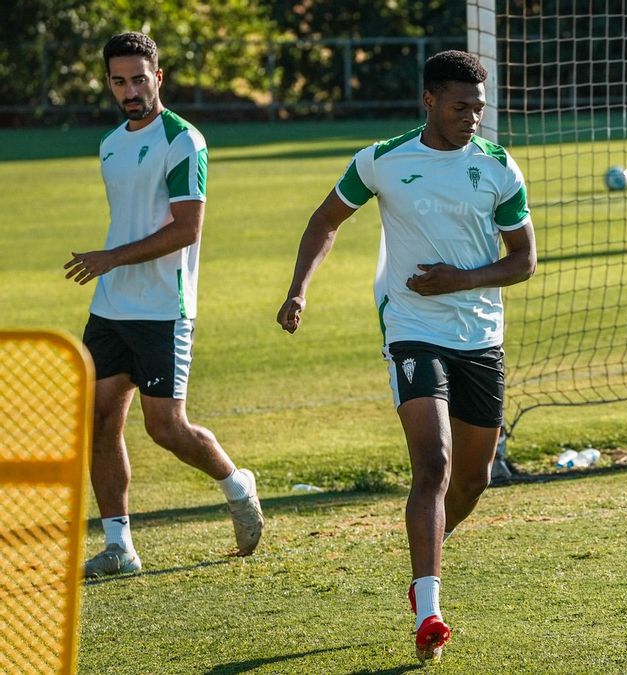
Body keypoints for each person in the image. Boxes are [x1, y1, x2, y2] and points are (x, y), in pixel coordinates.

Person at [275, 50, 536, 663]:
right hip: (412, 329)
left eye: (479, 106)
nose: (472, 117)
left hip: (480, 336)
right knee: (434, 464)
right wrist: (297, 290)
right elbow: (325, 222)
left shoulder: (498, 168)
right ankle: (430, 609)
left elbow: (523, 261)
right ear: (430, 101)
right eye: (460, 106)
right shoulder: (382, 161)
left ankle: (425, 564)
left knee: (473, 478)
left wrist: (460, 278)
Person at [64, 32, 263, 578]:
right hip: (111, 309)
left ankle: (235, 483)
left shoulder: (183, 141)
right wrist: (112, 266)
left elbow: (187, 229)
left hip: (162, 308)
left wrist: (112, 257)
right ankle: (119, 547)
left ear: (159, 77)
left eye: (138, 78)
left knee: (165, 428)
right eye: (118, 81)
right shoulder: (109, 143)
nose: (129, 90)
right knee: (100, 422)